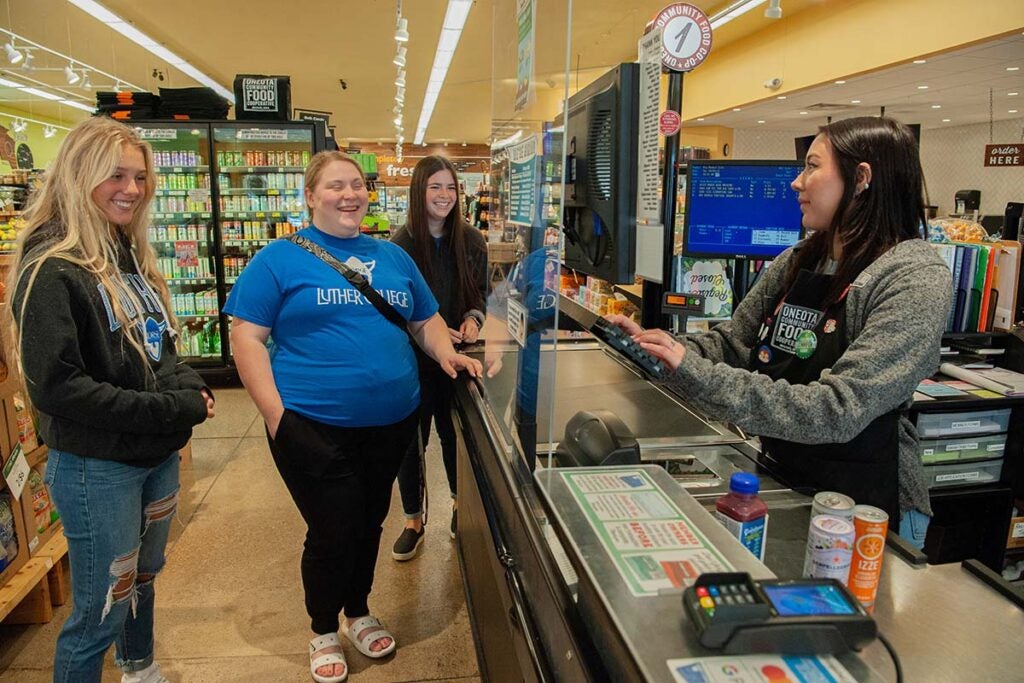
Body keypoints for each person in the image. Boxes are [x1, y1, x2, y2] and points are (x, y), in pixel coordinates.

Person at [607, 117, 951, 540]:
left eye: (811, 167)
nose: (796, 182)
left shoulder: (912, 277)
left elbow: (837, 410)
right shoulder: (799, 259)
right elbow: (733, 344)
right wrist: (658, 348)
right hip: (782, 474)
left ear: (861, 178)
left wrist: (692, 372)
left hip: (869, 508)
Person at [225, 151, 481, 683]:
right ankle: (323, 628)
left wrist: (445, 351)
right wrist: (277, 417)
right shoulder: (278, 259)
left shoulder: (391, 256)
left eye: (357, 186)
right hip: (311, 424)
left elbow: (424, 318)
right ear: (311, 195)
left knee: (368, 521)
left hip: (389, 422)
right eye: (336, 186)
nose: (350, 195)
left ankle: (358, 610)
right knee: (332, 527)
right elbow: (246, 338)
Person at [3, 116, 215, 683]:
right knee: (99, 611)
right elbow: (58, 387)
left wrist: (187, 382)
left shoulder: (125, 255)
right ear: (77, 176)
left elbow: (159, 346)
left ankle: (139, 669)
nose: (132, 188)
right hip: (98, 469)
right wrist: (170, 409)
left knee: (143, 578)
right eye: (114, 175)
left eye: (140, 176)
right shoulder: (53, 267)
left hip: (154, 458)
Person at [389, 155, 487, 559]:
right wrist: (428, 329)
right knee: (411, 442)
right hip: (413, 361)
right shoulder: (401, 245)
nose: (444, 196)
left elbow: (478, 294)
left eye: (451, 188)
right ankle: (413, 518)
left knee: (454, 435)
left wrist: (473, 320)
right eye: (435, 187)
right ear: (419, 191)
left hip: (458, 361)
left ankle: (459, 505)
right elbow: (394, 308)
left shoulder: (472, 241)